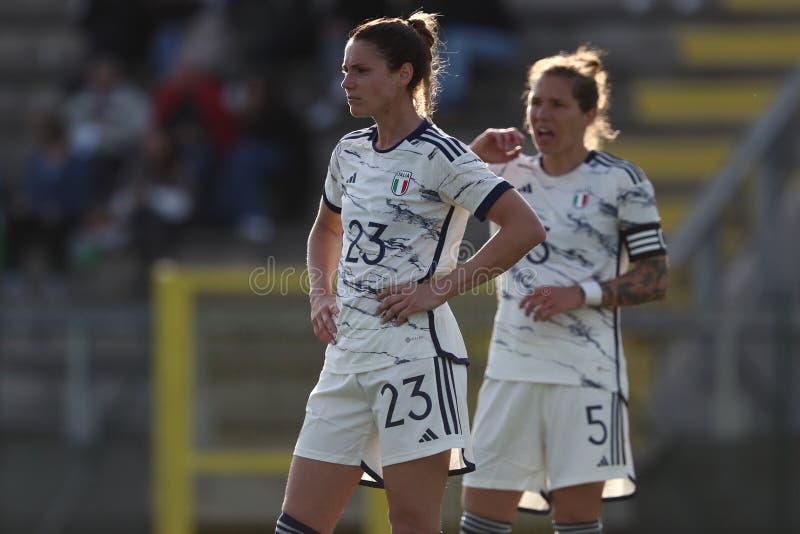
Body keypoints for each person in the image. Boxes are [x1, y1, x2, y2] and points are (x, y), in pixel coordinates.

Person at [277, 12, 545, 534]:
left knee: (413, 522)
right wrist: (319, 295)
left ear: (403, 75)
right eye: (344, 70)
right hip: (347, 358)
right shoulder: (349, 151)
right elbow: (325, 232)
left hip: (415, 361)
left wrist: (437, 290)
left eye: (362, 70)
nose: (347, 81)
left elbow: (524, 228)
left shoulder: (442, 153)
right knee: (298, 525)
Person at [460, 46, 669, 534]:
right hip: (512, 371)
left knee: (576, 522)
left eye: (557, 104)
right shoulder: (508, 176)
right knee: (480, 520)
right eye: (535, 102)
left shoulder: (622, 182)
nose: (541, 114)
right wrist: (471, 156)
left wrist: (581, 293)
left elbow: (654, 277)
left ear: (589, 114)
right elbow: (428, 211)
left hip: (586, 376)